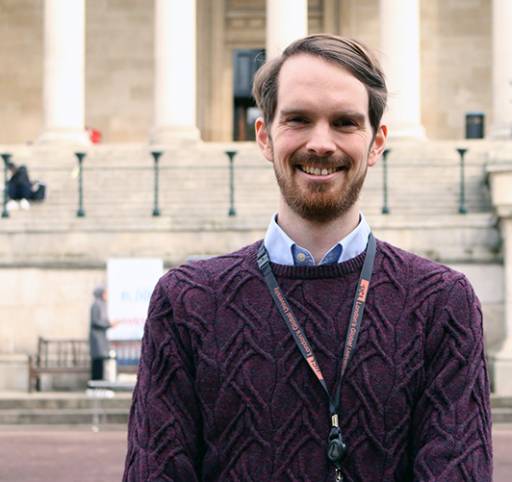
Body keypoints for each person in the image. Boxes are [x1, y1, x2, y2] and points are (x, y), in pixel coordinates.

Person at [124, 34, 492, 481]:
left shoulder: (441, 303)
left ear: (376, 143)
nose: (321, 143)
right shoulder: (186, 301)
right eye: (298, 119)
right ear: (264, 136)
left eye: (344, 123)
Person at [89, 286, 111, 381]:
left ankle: (100, 382)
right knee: (97, 361)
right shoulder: (96, 305)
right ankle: (95, 383)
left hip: (101, 337)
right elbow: (95, 321)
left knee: (101, 360)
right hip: (96, 338)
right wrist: (108, 324)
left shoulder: (102, 305)